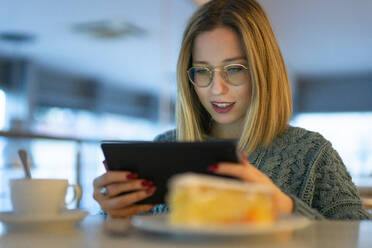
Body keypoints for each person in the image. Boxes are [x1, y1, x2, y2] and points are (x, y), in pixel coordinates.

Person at [93, 0, 371, 220]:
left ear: (263, 72)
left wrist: (284, 207)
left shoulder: (312, 154)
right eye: (202, 71)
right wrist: (114, 214)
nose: (217, 89)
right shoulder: (164, 146)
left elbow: (358, 237)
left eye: (234, 69)